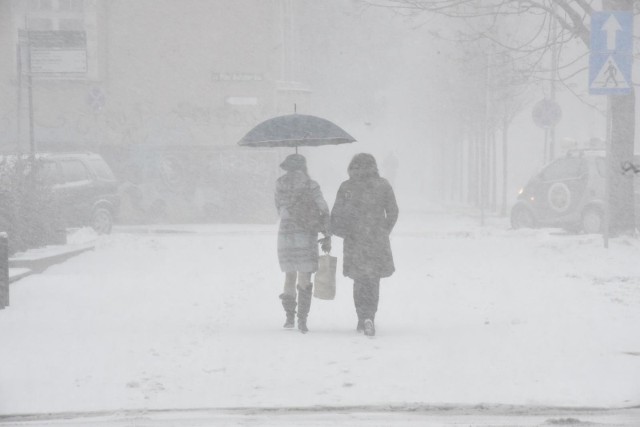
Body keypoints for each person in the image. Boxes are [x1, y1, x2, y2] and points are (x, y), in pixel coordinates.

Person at [330, 153, 398, 337]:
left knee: (359, 280)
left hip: (354, 241)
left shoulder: (347, 187)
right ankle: (370, 317)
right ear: (374, 166)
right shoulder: (383, 185)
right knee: (373, 280)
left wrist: (342, 231)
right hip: (376, 241)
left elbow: (336, 214)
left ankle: (361, 317)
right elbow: (393, 211)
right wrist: (384, 230)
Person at [274, 153, 331, 333]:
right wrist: (326, 230)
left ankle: (289, 317)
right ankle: (302, 320)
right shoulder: (311, 185)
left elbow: (278, 208)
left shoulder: (279, 184)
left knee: (289, 275)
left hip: (285, 233)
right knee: (304, 275)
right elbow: (323, 208)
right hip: (305, 233)